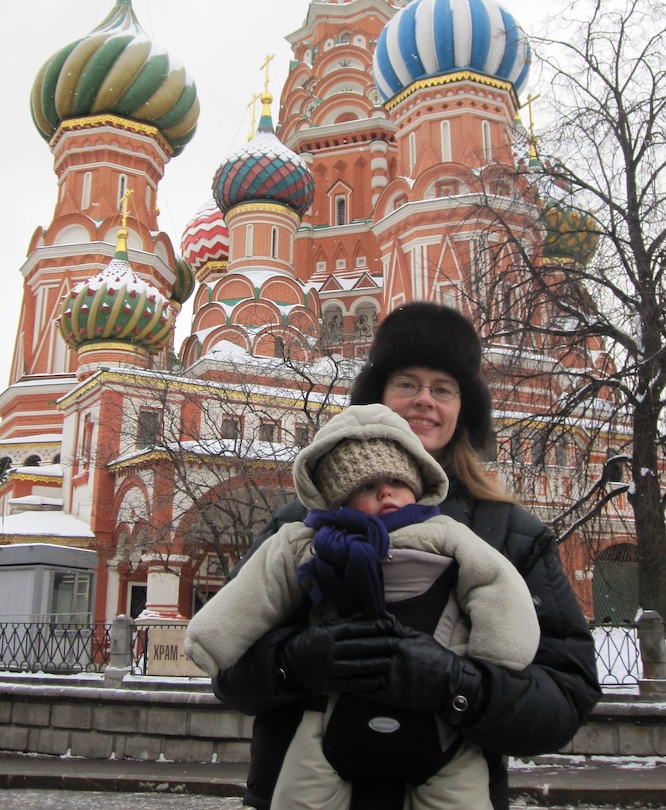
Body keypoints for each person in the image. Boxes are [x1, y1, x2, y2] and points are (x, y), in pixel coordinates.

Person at [212, 302, 602, 810]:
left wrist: (457, 685)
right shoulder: (301, 524)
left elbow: (565, 696)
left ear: (464, 409)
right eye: (406, 384)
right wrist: (299, 661)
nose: (424, 401)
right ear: (377, 398)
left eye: (443, 388)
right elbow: (230, 672)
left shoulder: (508, 533)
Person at [186, 403, 540, 810]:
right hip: (332, 712)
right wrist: (217, 642)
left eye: (395, 480)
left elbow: (493, 582)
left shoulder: (446, 533)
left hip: (440, 722)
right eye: (366, 487)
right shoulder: (306, 541)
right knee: (303, 789)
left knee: (459, 791)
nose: (385, 492)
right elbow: (259, 589)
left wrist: (487, 664)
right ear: (336, 501)